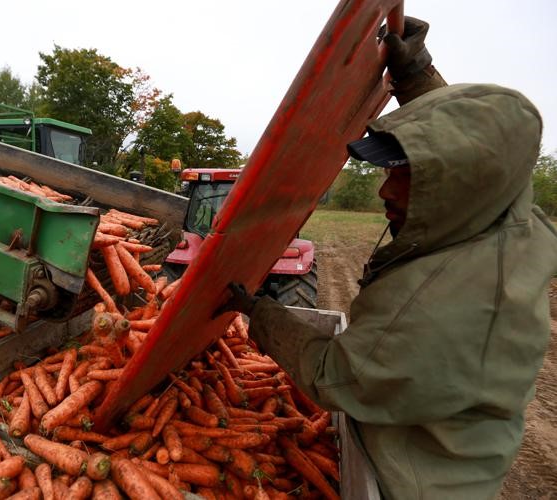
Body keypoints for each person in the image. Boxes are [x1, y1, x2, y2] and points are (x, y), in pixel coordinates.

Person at [218, 17, 557, 499]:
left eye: (406, 174)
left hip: (422, 481)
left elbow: (332, 375)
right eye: (391, 168)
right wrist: (417, 76)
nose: (383, 188)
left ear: (455, 187)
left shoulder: (436, 308)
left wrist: (259, 311)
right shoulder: (498, 204)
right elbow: (470, 150)